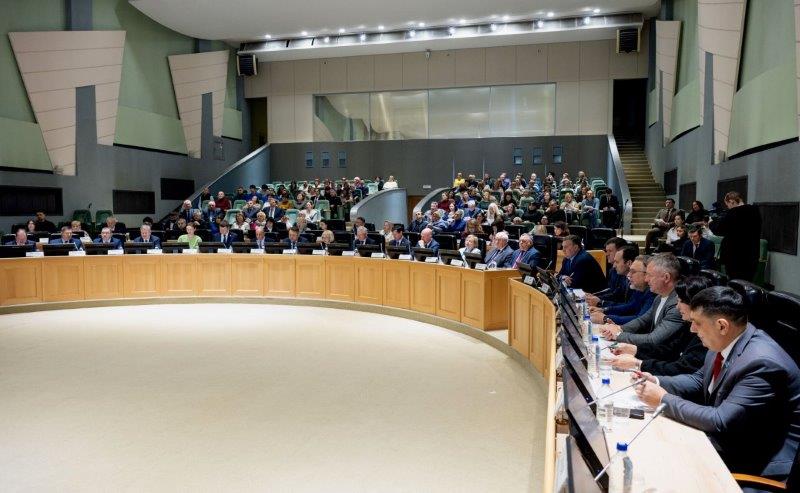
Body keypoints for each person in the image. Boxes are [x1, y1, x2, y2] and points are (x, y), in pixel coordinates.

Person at [634, 286, 800, 480]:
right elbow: (699, 380)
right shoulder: (726, 340)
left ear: (722, 326)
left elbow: (720, 420)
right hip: (733, 439)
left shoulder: (762, 363)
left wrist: (663, 399)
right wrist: (656, 380)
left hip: (758, 463)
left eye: (697, 323)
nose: (692, 329)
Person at [606, 276, 710, 376]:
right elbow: (669, 350)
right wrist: (635, 350)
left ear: (695, 304)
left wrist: (639, 364)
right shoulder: (686, 324)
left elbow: (681, 368)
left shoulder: (705, 336)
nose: (677, 307)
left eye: (680, 301)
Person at [599, 253, 684, 346]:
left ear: (666, 277)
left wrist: (618, 335)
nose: (646, 279)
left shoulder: (677, 304)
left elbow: (653, 339)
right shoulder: (659, 297)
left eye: (650, 275)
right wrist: (620, 328)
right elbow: (642, 321)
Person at [590, 252, 657, 325]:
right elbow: (629, 307)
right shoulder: (640, 289)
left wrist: (605, 318)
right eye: (630, 271)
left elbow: (639, 320)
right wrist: (604, 310)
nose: (629, 275)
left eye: (633, 272)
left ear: (647, 274)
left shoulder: (653, 293)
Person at [715, 191, 762, 281]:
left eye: (727, 205)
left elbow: (719, 229)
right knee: (747, 283)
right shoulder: (755, 211)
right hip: (752, 256)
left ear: (731, 201)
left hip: (734, 258)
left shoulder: (733, 213)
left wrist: (710, 223)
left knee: (735, 283)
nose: (728, 208)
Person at [586, 238, 630, 306]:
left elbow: (617, 296)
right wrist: (593, 295)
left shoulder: (626, 273)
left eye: (610, 251)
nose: (606, 254)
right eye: (606, 251)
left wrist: (600, 301)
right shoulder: (612, 270)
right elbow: (610, 290)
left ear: (620, 251)